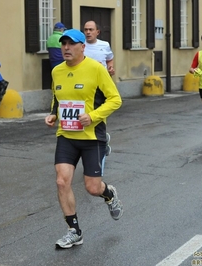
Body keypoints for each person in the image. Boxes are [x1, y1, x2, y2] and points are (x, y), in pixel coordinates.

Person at [44, 29, 123, 249]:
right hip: (67, 136)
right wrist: (52, 114)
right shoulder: (57, 71)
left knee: (92, 187)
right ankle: (74, 231)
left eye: (71, 44)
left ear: (82, 47)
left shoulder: (96, 69)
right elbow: (57, 99)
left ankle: (109, 193)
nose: (66, 48)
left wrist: (93, 116)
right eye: (63, 44)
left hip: (92, 137)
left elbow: (115, 100)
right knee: (62, 181)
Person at [83, 20, 115, 155]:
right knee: (85, 112)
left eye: (91, 30)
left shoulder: (105, 45)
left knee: (100, 111)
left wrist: (110, 67)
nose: (88, 32)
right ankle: (89, 141)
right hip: (85, 84)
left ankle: (102, 139)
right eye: (86, 30)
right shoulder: (80, 45)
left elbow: (110, 58)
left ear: (97, 32)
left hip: (101, 84)